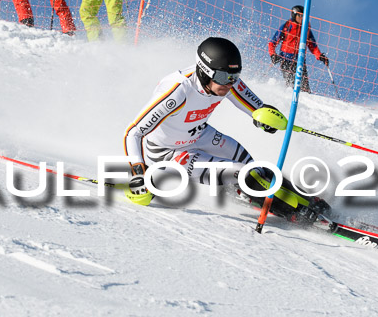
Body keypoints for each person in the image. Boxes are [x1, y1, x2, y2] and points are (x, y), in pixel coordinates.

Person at [123, 37, 330, 224]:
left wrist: (266, 118)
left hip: (200, 135)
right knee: (246, 174)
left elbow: (256, 108)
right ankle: (296, 213)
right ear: (204, 71)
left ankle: (307, 199)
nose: (230, 83)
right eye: (224, 77)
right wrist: (139, 173)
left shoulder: (225, 80)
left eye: (234, 76)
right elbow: (133, 132)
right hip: (169, 153)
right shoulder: (178, 91)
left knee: (255, 168)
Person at [268, 5, 329, 93]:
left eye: (303, 16)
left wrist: (320, 56)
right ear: (294, 15)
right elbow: (272, 42)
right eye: (299, 15)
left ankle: (305, 101)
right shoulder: (287, 26)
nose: (302, 18)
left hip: (300, 61)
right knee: (292, 85)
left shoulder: (306, 29)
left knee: (304, 88)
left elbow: (313, 46)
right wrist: (273, 55)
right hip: (286, 59)